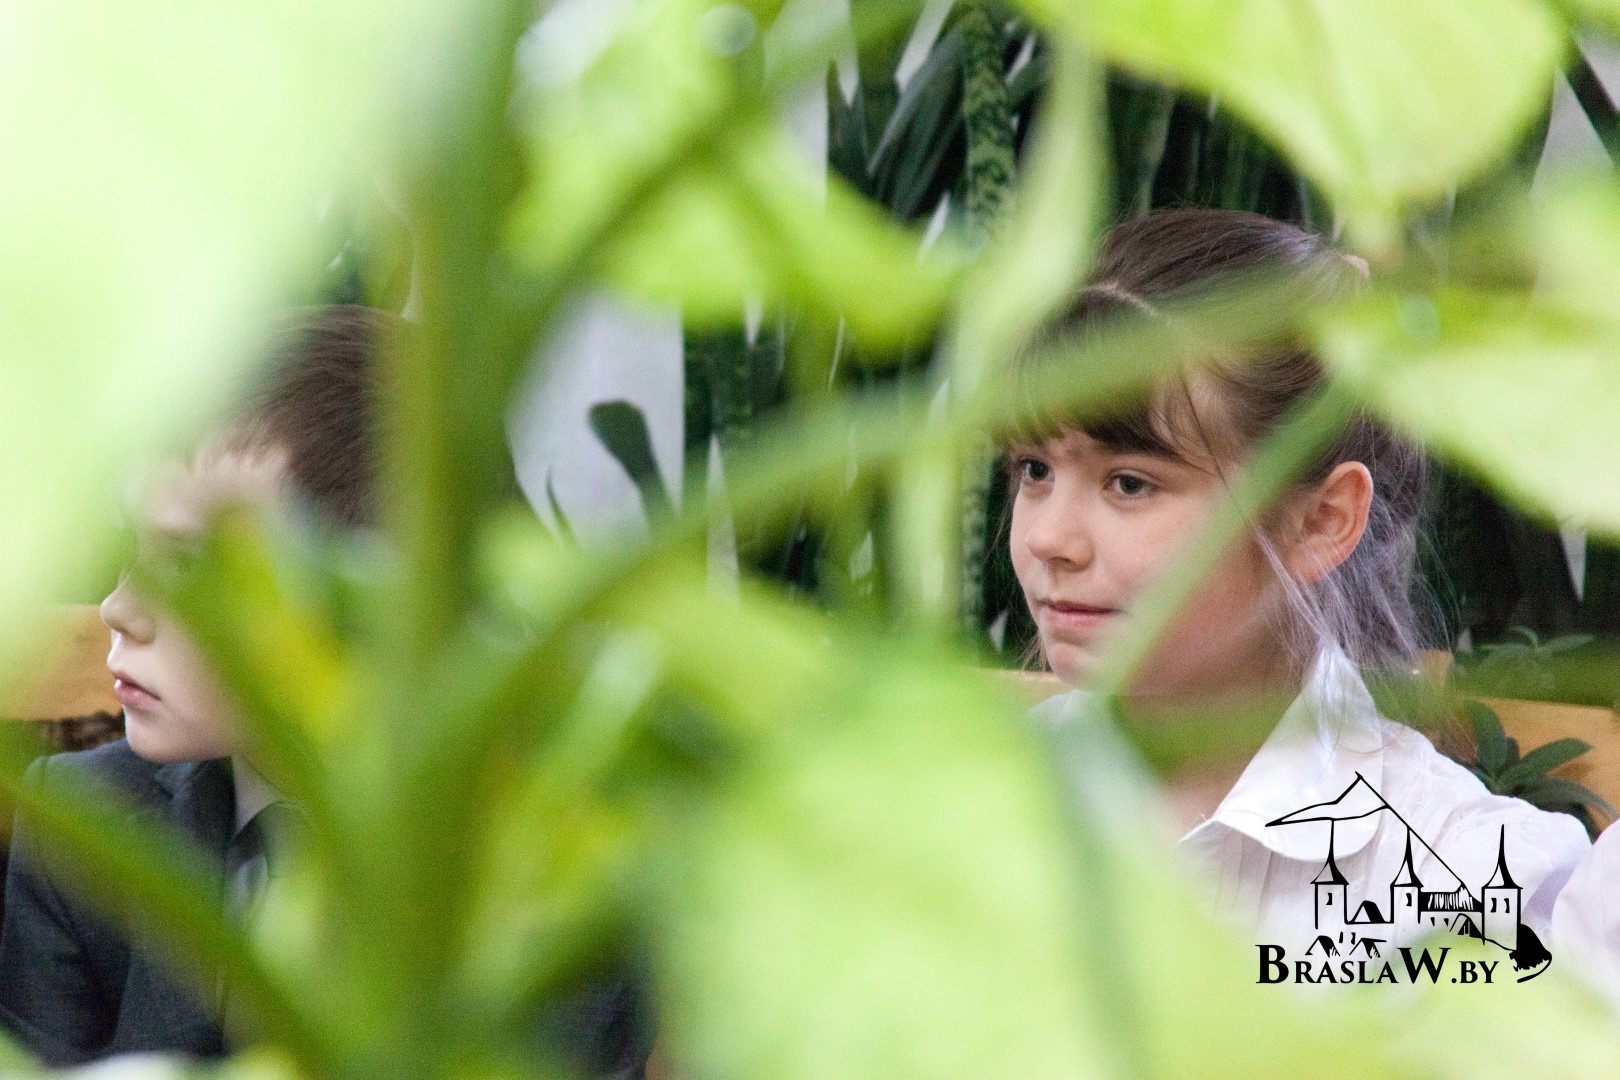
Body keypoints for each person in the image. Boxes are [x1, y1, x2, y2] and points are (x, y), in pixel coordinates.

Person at [0, 307, 649, 1074]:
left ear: (388, 606)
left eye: (194, 566)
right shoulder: (84, 827)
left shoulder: (559, 881)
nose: (121, 609)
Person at [1008, 209, 1589, 960]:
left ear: (1320, 521)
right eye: (1034, 470)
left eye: (1129, 483)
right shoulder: (962, 800)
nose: (1049, 538)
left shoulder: (1470, 883)